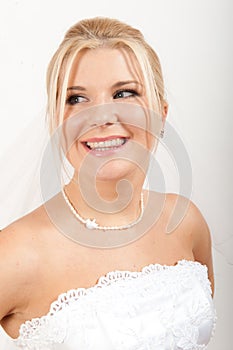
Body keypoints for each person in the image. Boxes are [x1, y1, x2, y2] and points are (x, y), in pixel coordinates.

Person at [0, 17, 216, 349]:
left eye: (124, 93)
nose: (101, 117)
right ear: (56, 120)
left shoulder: (186, 221)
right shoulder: (15, 253)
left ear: (161, 113)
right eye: (76, 99)